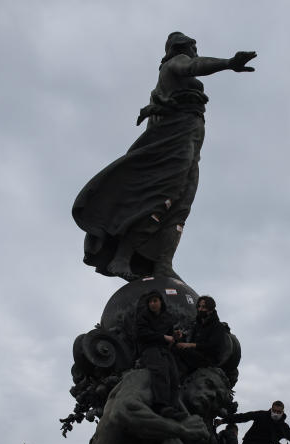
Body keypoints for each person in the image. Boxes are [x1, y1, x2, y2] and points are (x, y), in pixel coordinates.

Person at [72, 32, 257, 281]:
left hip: (191, 140)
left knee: (182, 206)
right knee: (164, 197)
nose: (196, 51)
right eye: (194, 47)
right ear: (182, 48)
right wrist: (228, 63)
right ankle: (122, 257)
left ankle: (163, 264)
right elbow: (194, 65)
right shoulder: (175, 63)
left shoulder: (167, 92)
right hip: (178, 141)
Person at [136, 290, 183, 417]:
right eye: (150, 302)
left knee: (174, 375)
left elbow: (170, 338)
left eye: (155, 301)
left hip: (164, 349)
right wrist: (164, 337)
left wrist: (175, 336)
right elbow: (142, 334)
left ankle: (173, 408)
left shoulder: (167, 318)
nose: (152, 304)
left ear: (161, 302)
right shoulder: (143, 316)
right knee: (160, 371)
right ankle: (161, 406)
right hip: (149, 349)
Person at [175, 295, 228, 371]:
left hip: (208, 360)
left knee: (181, 351)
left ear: (211, 310)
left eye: (203, 307)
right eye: (199, 306)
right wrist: (180, 336)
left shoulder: (218, 326)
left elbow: (212, 346)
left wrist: (191, 345)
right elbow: (189, 339)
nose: (200, 309)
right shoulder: (197, 325)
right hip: (195, 354)